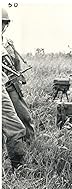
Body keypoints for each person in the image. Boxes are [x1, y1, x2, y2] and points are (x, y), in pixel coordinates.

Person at [2, 8, 35, 143]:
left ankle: (30, 144)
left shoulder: (8, 42)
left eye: (3, 23)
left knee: (24, 116)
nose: (1, 26)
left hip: (12, 84)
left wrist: (19, 77)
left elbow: (16, 60)